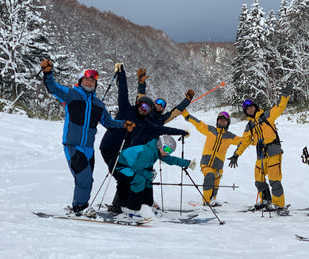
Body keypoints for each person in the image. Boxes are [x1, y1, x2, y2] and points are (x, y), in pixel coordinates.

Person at [40, 59, 135, 215]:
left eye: (92, 81)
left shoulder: (98, 104)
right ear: (80, 80)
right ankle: (80, 207)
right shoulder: (71, 94)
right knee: (83, 178)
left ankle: (79, 204)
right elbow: (53, 88)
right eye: (86, 79)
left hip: (89, 149)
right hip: (73, 146)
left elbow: (109, 123)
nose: (89, 83)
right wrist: (48, 73)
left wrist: (124, 124)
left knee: (87, 180)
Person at [99, 63, 190, 213]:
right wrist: (121, 73)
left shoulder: (145, 123)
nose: (144, 109)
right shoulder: (126, 109)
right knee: (126, 179)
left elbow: (163, 128)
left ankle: (125, 205)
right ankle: (120, 207)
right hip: (109, 147)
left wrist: (181, 132)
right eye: (142, 106)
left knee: (131, 178)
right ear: (138, 104)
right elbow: (123, 91)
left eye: (147, 108)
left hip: (128, 152)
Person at [227, 87, 291, 212]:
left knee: (274, 180)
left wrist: (284, 96)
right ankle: (266, 201)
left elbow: (279, 108)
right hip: (260, 155)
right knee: (259, 180)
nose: (250, 109)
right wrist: (236, 155)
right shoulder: (249, 125)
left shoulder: (267, 115)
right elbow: (244, 142)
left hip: (273, 151)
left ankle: (279, 205)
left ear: (255, 106)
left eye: (251, 107)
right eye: (247, 109)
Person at [114, 135, 196, 220]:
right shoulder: (148, 152)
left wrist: (187, 163)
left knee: (148, 181)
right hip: (119, 166)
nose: (167, 153)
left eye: (170, 151)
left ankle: (147, 207)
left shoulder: (157, 152)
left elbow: (171, 160)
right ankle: (132, 209)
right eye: (166, 149)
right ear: (160, 145)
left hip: (131, 167)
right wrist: (149, 175)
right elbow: (137, 169)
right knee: (139, 180)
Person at [182, 109, 241, 206]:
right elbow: (198, 123)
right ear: (217, 121)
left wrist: (259, 140)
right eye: (220, 120)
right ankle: (206, 201)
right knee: (210, 176)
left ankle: (212, 199)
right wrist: (186, 114)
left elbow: (244, 141)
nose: (222, 122)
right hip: (206, 163)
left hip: (218, 166)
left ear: (228, 123)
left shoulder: (230, 136)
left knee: (215, 184)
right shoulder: (210, 130)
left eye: (224, 121)